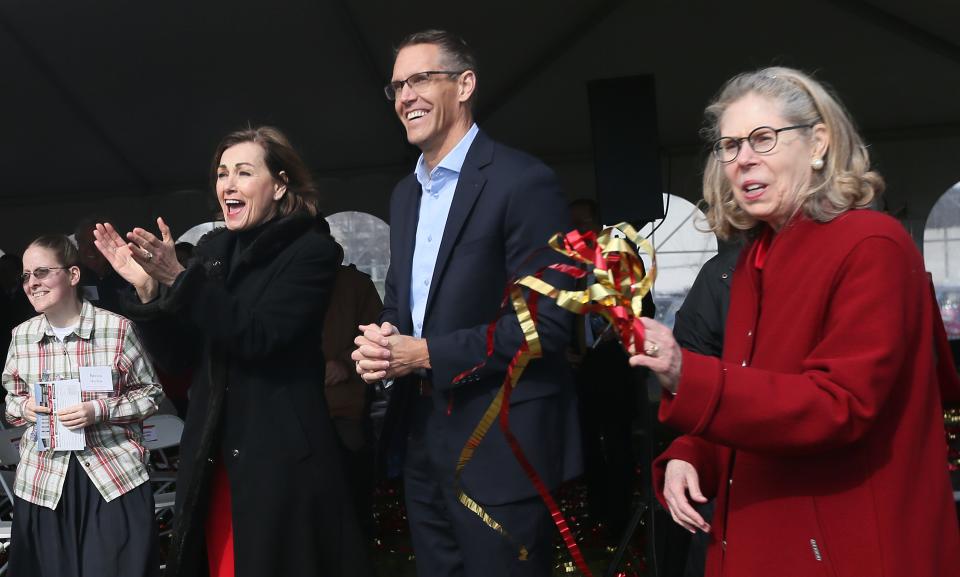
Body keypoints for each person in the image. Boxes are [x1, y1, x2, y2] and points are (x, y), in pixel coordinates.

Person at [628, 67, 960, 576]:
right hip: (762, 537)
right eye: (730, 145)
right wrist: (693, 453)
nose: (743, 160)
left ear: (818, 142)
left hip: (846, 548)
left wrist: (685, 375)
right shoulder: (755, 258)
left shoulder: (871, 245)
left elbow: (838, 406)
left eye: (763, 138)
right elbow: (756, 391)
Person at [93, 126, 372, 577]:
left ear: (280, 184)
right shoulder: (213, 251)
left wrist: (181, 280)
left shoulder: (311, 252)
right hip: (213, 452)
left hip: (278, 458)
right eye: (223, 174)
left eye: (244, 172)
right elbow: (180, 357)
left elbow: (259, 336)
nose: (228, 184)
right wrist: (149, 290)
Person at [353, 30, 581, 577]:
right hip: (424, 440)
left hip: (501, 445)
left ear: (464, 85)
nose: (404, 96)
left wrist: (423, 354)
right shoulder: (406, 194)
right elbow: (400, 305)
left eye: (419, 80)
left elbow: (544, 324)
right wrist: (384, 343)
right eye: (396, 87)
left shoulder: (523, 181)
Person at [3, 234, 162, 577]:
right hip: (43, 483)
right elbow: (11, 400)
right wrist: (25, 408)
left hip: (112, 477)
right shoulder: (22, 336)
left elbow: (150, 394)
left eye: (42, 272)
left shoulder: (117, 329)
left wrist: (98, 411)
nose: (32, 283)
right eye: (26, 276)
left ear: (73, 275)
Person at [322, 239, 383, 536]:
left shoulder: (355, 285)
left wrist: (345, 364)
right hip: (298, 412)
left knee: (352, 489)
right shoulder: (285, 283)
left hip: (346, 407)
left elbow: (380, 333)